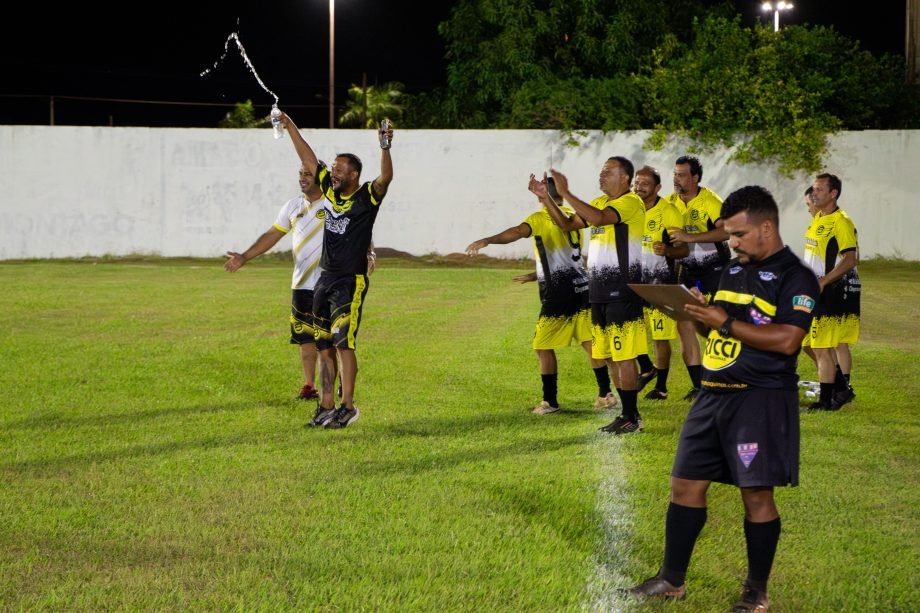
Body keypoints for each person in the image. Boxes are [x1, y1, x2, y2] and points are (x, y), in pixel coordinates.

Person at [621, 185, 820, 612]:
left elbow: (788, 340)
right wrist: (694, 312)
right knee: (684, 485)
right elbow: (719, 329)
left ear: (767, 227)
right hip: (712, 397)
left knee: (756, 495)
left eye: (739, 235)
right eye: (729, 235)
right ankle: (672, 579)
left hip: (759, 402)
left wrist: (724, 321)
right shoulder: (730, 271)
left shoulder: (795, 276)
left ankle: (756, 590)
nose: (731, 243)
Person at [278, 111, 394, 429]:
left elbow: (386, 179)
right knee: (324, 345)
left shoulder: (366, 196)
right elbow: (307, 155)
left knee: (344, 343)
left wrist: (385, 148)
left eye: (341, 169)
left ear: (354, 174)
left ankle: (348, 406)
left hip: (350, 280)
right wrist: (290, 125)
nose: (334, 172)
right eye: (334, 168)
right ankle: (326, 406)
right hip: (324, 279)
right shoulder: (329, 190)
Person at [465, 177, 609, 414]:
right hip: (581, 288)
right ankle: (606, 394)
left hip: (559, 293)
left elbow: (517, 232)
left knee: (542, 345)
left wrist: (488, 240)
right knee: (587, 342)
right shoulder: (572, 217)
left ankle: (550, 402)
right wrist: (536, 275)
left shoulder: (541, 218)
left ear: (544, 195)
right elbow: (566, 257)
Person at [542, 157, 648, 434]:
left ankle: (632, 417)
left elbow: (600, 219)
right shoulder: (597, 203)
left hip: (622, 290)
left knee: (624, 355)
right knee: (611, 355)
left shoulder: (630, 202)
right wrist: (546, 198)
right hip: (598, 292)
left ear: (624, 178)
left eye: (607, 171)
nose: (601, 176)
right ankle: (625, 414)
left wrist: (565, 192)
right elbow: (567, 225)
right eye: (601, 171)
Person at [224, 163, 325, 402]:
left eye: (307, 174)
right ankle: (310, 385)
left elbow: (359, 230)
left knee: (331, 339)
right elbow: (272, 234)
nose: (302, 178)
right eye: (300, 174)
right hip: (301, 284)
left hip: (329, 284)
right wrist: (245, 256)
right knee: (306, 337)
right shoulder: (293, 206)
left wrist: (369, 253)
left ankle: (338, 388)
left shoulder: (333, 204)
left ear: (320, 177)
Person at [664, 156, 729, 401]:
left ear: (695, 178)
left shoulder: (711, 201)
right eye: (675, 174)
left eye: (681, 175)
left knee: (715, 324)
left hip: (715, 271)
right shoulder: (670, 202)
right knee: (685, 324)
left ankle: (727, 375)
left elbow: (726, 231)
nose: (676, 179)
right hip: (688, 272)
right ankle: (699, 386)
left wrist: (690, 237)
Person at [802, 173, 860, 410]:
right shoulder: (818, 219)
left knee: (822, 346)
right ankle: (840, 389)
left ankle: (827, 400)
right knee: (807, 342)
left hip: (831, 291)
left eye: (818, 189)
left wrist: (824, 281)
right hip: (814, 289)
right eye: (813, 189)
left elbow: (850, 259)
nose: (813, 193)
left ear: (833, 193)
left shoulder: (841, 222)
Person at [634, 165, 688, 400]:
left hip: (660, 285)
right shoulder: (628, 208)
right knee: (631, 330)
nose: (639, 187)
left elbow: (683, 249)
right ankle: (647, 368)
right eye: (637, 182)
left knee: (659, 337)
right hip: (634, 283)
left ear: (657, 187)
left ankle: (661, 387)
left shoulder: (668, 211)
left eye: (645, 183)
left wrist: (667, 250)